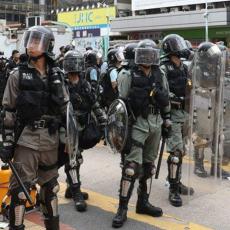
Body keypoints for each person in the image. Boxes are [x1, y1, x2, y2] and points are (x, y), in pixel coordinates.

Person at [0, 26, 68, 230]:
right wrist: (7, 142)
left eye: (37, 41)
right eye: (30, 40)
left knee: (51, 190)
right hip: (26, 140)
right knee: (20, 192)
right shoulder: (17, 75)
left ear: (48, 46)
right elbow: (8, 111)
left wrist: (68, 140)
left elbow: (66, 110)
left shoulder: (57, 75)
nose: (31, 46)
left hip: (50, 140)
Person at [112, 39, 171, 228]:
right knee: (130, 168)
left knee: (148, 167)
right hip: (137, 123)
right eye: (143, 54)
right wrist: (122, 133)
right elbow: (120, 105)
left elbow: (166, 98)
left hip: (156, 123)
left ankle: (142, 203)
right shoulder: (127, 74)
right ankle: (122, 208)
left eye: (150, 54)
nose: (147, 58)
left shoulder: (159, 73)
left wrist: (167, 119)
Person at [62, 50, 107, 212]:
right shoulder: (61, 84)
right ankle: (76, 193)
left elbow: (94, 103)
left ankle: (71, 187)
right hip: (66, 127)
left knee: (77, 159)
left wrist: (103, 120)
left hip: (83, 125)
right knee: (72, 160)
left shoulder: (85, 83)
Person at [160, 34, 194, 207]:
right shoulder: (164, 68)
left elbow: (190, 86)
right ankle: (173, 189)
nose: (181, 47)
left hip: (185, 114)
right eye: (177, 44)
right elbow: (162, 91)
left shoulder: (184, 67)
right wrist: (175, 99)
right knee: (175, 153)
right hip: (173, 114)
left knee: (183, 151)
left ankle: (177, 181)